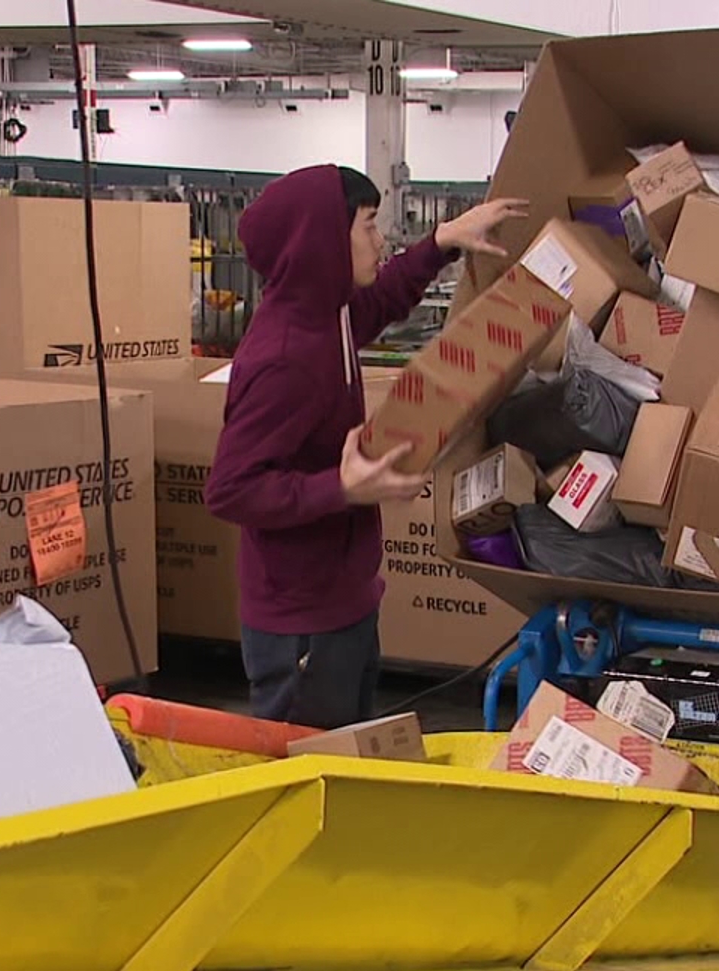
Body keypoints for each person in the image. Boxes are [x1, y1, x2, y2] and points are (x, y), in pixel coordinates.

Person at [205, 164, 524, 727]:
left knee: (349, 762)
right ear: (325, 240)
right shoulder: (285, 358)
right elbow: (231, 490)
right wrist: (342, 486)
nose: (382, 241)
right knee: (311, 778)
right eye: (370, 226)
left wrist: (441, 243)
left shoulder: (331, 314)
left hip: (345, 595)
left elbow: (382, 302)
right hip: (299, 620)